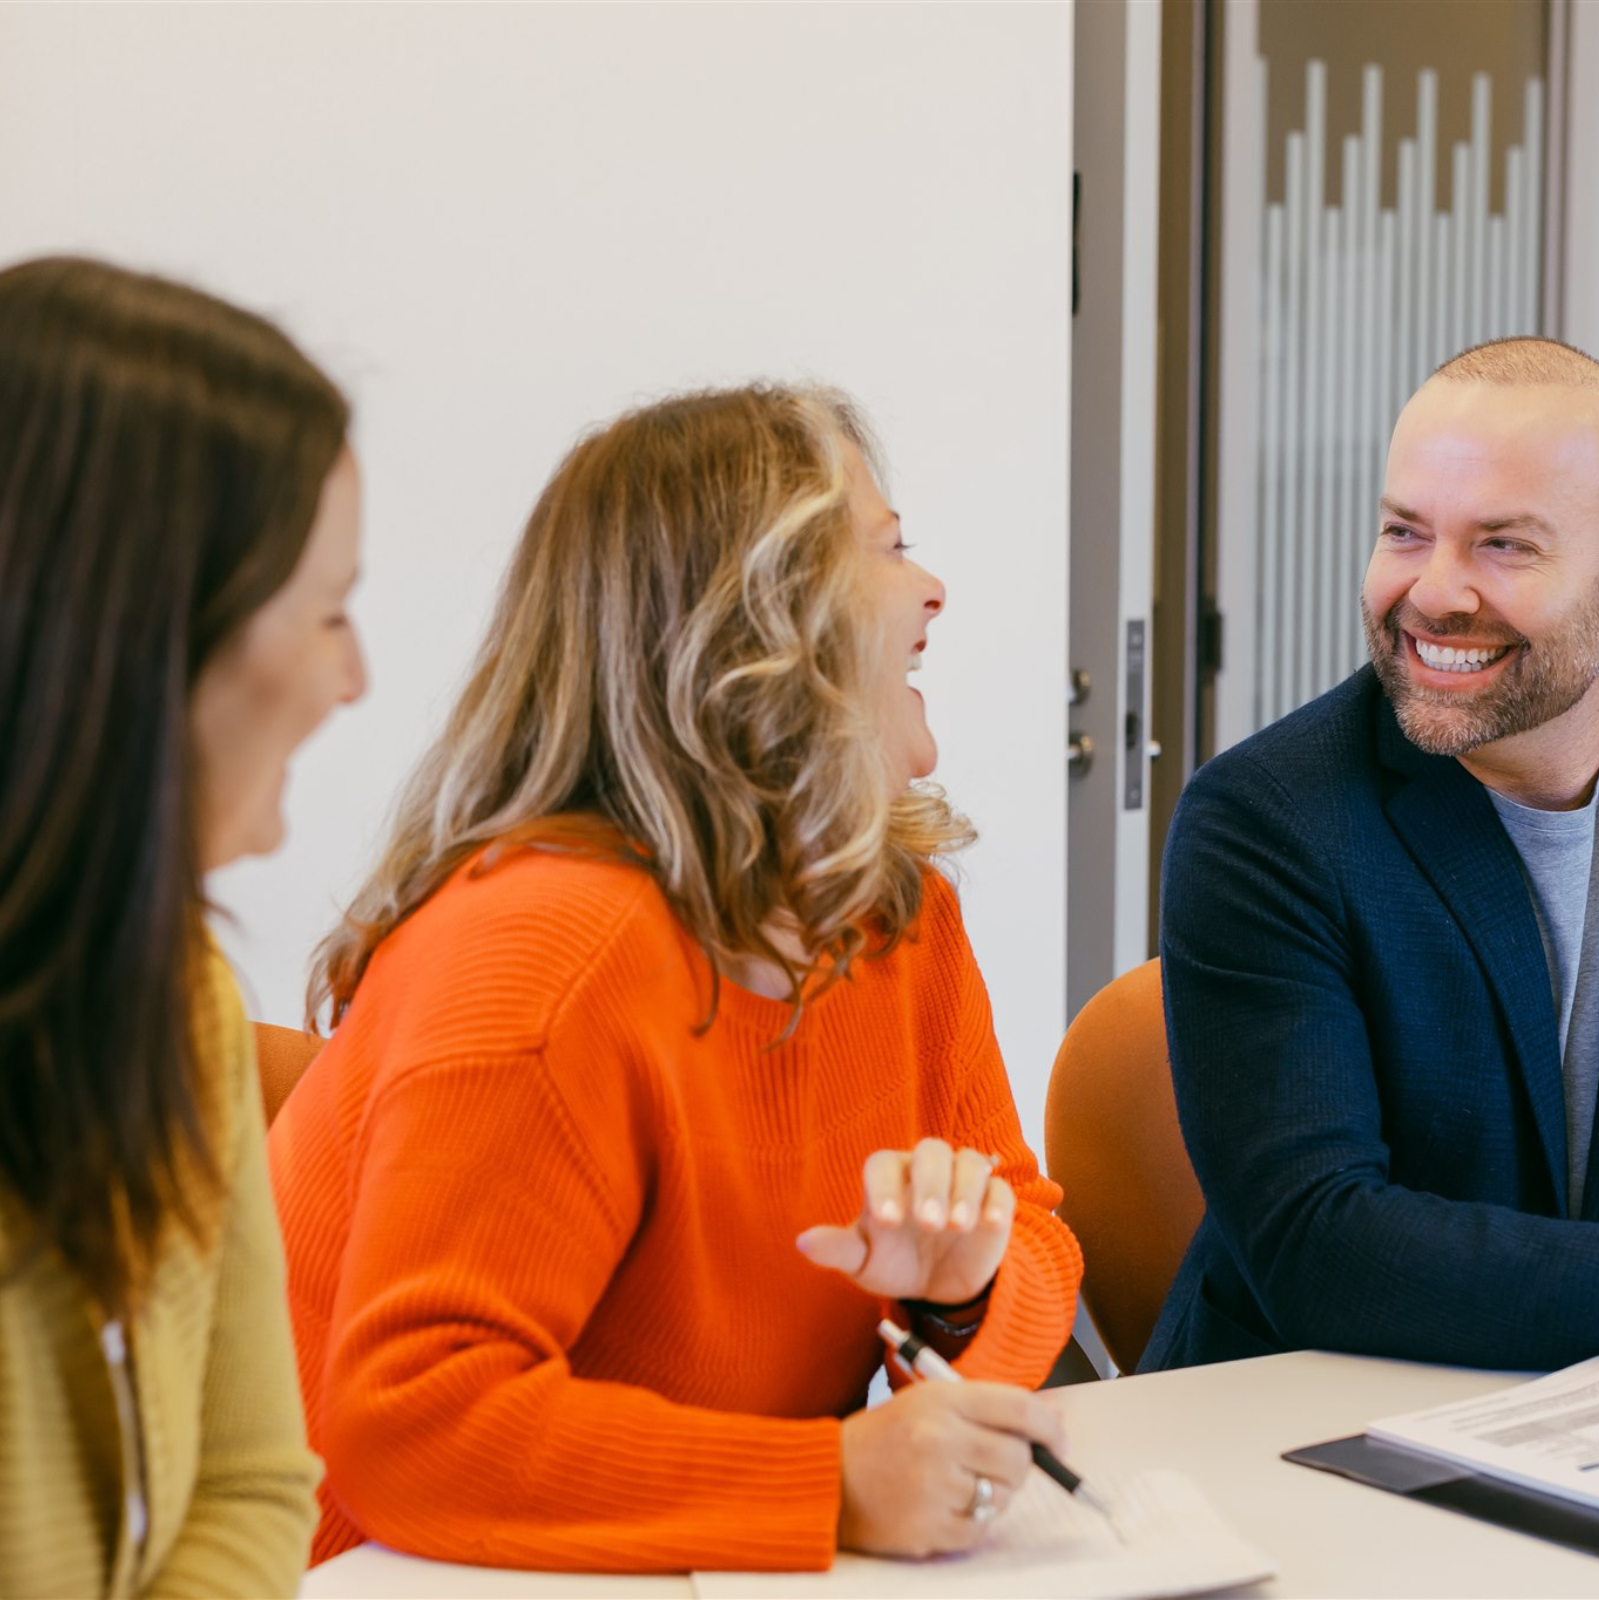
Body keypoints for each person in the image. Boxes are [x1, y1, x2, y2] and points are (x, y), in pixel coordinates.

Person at [269, 384, 1082, 1573]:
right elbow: (414, 1429)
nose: (931, 590)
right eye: (887, 548)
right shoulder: (539, 950)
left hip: (693, 1566)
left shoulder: (896, 911)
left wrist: (958, 1299)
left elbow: (1032, 1234)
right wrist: (833, 1483)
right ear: (750, 624)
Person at [0, 255, 367, 1595]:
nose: (354, 678)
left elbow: (252, 1482)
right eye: (328, 610)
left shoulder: (175, 997)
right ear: (137, 632)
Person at [1145, 335, 1599, 1374]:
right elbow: (1322, 1245)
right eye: (1404, 532)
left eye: (1503, 545)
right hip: (1301, 1435)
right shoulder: (1267, 821)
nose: (1433, 593)